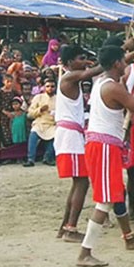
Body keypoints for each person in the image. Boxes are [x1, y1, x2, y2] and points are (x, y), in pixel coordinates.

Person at [76, 46, 134, 267]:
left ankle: (129, 237)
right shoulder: (113, 88)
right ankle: (85, 253)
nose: (126, 65)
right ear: (117, 64)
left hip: (102, 144)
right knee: (106, 200)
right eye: (123, 61)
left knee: (116, 194)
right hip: (104, 147)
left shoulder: (102, 80)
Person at [55, 44, 99, 243]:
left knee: (78, 183)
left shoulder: (69, 77)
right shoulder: (69, 77)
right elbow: (95, 70)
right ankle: (71, 228)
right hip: (70, 137)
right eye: (80, 58)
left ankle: (64, 226)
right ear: (70, 62)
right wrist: (110, 59)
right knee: (82, 182)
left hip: (70, 135)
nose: (84, 62)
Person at [23, 79, 57, 167]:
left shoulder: (58, 99)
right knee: (33, 134)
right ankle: (30, 159)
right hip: (39, 123)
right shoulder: (38, 97)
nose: (50, 88)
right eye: (48, 86)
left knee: (55, 134)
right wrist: (40, 109)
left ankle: (48, 158)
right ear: (44, 87)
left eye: (52, 86)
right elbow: (30, 114)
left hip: (52, 124)